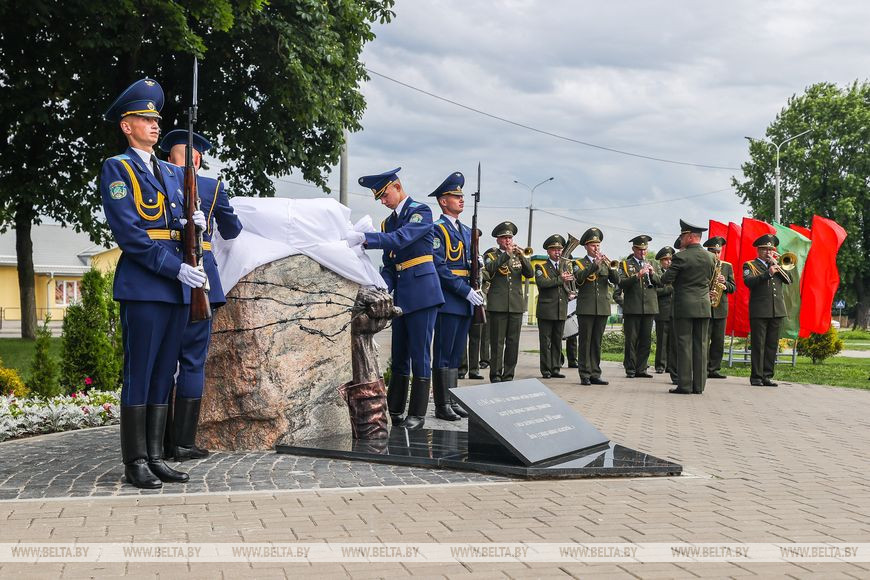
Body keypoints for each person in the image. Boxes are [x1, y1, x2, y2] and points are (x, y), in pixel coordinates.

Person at [100, 78, 207, 488]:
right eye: (144, 118)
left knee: (165, 372)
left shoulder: (168, 170)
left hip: (178, 287)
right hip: (147, 284)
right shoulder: (118, 167)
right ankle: (136, 460)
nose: (153, 124)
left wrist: (195, 225)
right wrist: (174, 267)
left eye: (155, 119)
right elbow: (130, 233)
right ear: (126, 126)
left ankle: (158, 455)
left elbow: (177, 224)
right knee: (141, 371)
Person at [159, 129, 243, 460]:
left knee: (163, 363)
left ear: (169, 157)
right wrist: (206, 226)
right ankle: (182, 443)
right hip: (200, 280)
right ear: (198, 158)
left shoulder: (156, 182)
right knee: (193, 362)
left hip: (164, 279)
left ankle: (161, 443)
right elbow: (233, 230)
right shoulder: (212, 187)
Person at [345, 168, 444, 429]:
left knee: (420, 352)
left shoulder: (421, 212)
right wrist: (380, 288)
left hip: (422, 291)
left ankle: (418, 413)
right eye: (379, 197)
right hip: (400, 294)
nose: (382, 200)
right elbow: (389, 265)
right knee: (399, 352)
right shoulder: (387, 223)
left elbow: (401, 240)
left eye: (384, 194)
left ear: (397, 187)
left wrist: (366, 238)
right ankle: (397, 408)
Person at [429, 172, 483, 420]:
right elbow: (439, 268)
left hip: (464, 301)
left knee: (455, 354)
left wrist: (478, 265)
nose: (461, 200)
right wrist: (465, 290)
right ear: (443, 201)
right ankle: (441, 405)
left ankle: (452, 400)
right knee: (443, 353)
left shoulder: (466, 229)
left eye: (462, 196)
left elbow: (469, 264)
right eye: (455, 196)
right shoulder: (437, 230)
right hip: (450, 300)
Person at [661, 220, 716, 394]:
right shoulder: (711, 257)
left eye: (683, 235)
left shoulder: (681, 257)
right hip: (704, 305)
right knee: (701, 344)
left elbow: (666, 279)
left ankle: (684, 385)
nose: (681, 238)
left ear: (691, 236)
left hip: (685, 306)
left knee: (684, 344)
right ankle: (699, 386)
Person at [484, 222, 533, 382]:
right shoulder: (491, 255)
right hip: (498, 305)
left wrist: (523, 257)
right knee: (497, 343)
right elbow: (490, 269)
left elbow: (530, 273)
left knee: (513, 343)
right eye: (504, 238)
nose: (508, 241)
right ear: (498, 240)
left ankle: (509, 374)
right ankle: (496, 374)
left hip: (516, 305)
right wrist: (506, 254)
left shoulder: (518, 256)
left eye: (510, 238)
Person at [743, 234, 792, 387]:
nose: (768, 252)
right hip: (759, 311)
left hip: (777, 310)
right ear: (758, 250)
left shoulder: (778, 265)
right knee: (759, 344)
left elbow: (789, 280)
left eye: (771, 249)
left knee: (772, 345)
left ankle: (767, 376)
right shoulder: (750, 265)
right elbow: (749, 282)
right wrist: (768, 273)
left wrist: (777, 265)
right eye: (764, 249)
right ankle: (756, 376)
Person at [573, 227, 619, 386]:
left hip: (602, 307)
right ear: (586, 246)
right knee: (585, 341)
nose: (596, 248)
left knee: (596, 342)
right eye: (593, 245)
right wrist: (594, 265)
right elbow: (578, 279)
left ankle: (595, 373)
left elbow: (616, 280)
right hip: (586, 307)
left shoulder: (606, 263)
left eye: (598, 245)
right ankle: (584, 374)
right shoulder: (578, 263)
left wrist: (611, 266)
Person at [534, 234, 579, 379]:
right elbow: (542, 283)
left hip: (561, 308)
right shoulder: (541, 266)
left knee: (557, 341)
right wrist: (561, 279)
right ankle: (546, 370)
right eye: (554, 250)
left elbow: (569, 286)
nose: (558, 252)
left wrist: (571, 289)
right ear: (548, 251)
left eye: (560, 249)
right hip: (546, 310)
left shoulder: (565, 266)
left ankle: (555, 368)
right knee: (545, 341)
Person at [617, 235, 660, 378]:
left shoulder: (653, 263)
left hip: (649, 307)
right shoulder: (624, 264)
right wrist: (637, 275)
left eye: (645, 249)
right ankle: (630, 369)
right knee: (631, 340)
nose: (643, 252)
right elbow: (621, 283)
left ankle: (641, 369)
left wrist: (652, 274)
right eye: (640, 249)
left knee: (646, 340)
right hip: (632, 308)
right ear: (633, 249)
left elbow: (661, 282)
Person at [704, 236, 736, 379]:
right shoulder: (703, 264)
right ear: (708, 252)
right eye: (713, 252)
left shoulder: (727, 266)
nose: (716, 255)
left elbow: (733, 287)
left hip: (720, 308)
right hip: (705, 307)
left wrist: (725, 283)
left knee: (718, 341)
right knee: (704, 339)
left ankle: (714, 369)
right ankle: (702, 367)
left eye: (718, 252)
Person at [654, 246, 675, 375]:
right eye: (665, 260)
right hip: (662, 310)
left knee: (673, 341)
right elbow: (654, 291)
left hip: (675, 310)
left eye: (670, 259)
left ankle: (670, 366)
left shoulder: (675, 273)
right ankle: (660, 365)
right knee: (662, 340)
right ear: (661, 261)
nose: (668, 262)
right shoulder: (657, 274)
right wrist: (670, 288)